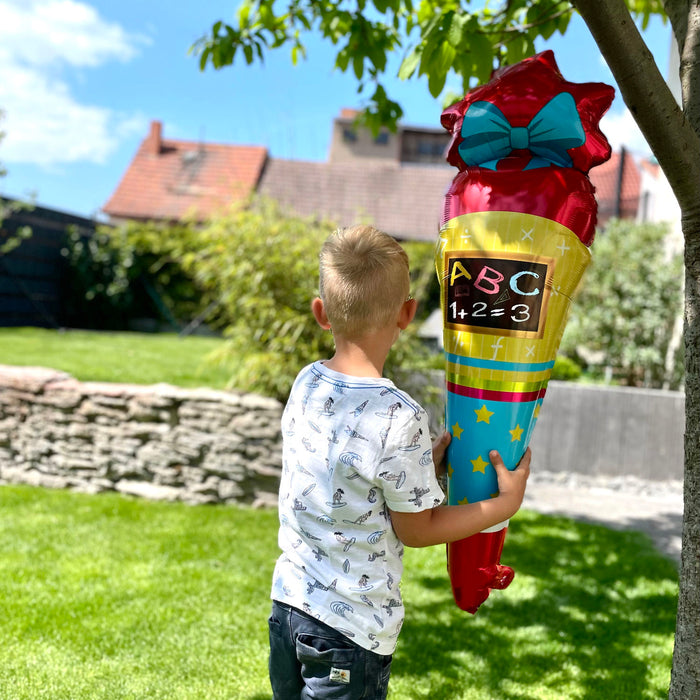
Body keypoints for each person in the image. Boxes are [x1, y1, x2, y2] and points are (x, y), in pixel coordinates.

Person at [268, 224, 531, 699]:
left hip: (289, 606)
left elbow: (343, 473)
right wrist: (502, 506)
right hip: (350, 633)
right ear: (408, 313)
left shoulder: (307, 383)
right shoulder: (398, 416)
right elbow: (417, 529)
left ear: (321, 313)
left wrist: (419, 468)